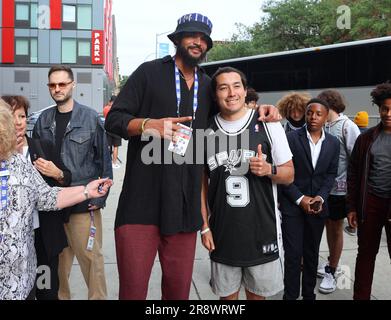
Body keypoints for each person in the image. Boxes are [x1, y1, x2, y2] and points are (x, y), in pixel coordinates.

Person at [104, 13, 280, 300]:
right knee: (133, 292)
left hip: (184, 209)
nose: (198, 42)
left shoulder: (209, 85)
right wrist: (150, 125)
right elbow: (114, 121)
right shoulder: (148, 73)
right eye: (191, 35)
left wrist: (264, 110)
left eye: (203, 39)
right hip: (141, 204)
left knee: (178, 294)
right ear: (177, 39)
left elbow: (231, 112)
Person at [0, 102, 113, 300]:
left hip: (20, 282)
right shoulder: (44, 121)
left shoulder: (17, 163)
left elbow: (46, 196)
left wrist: (86, 190)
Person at [201, 67, 294, 300]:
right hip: (223, 235)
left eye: (236, 86)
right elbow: (200, 186)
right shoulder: (206, 131)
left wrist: (269, 170)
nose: (231, 93)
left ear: (245, 90)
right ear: (215, 95)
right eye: (223, 87)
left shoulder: (268, 124)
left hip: (263, 233)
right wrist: (204, 226)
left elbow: (289, 174)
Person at [33, 65, 113, 300]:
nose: (57, 89)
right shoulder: (43, 120)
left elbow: (104, 162)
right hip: (53, 206)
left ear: (72, 85)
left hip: (82, 205)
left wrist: (100, 198)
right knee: (58, 265)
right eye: (52, 85)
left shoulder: (89, 118)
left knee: (92, 261)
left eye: (62, 84)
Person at [1, 95, 71, 300]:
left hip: (43, 234)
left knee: (47, 290)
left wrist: (56, 172)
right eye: (12, 116)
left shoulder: (43, 147)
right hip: (12, 246)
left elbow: (67, 178)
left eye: (22, 116)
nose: (18, 121)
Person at [279, 98, 339, 300]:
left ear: (325, 117)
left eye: (318, 114)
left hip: (318, 208)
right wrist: (300, 198)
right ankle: (290, 296)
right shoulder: (290, 138)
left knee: (312, 254)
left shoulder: (333, 143)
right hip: (293, 206)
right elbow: (284, 174)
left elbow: (331, 174)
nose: (313, 117)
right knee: (293, 255)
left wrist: (320, 198)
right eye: (310, 113)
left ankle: (308, 295)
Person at [347, 82, 391, 300]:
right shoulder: (366, 138)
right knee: (365, 256)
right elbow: (353, 174)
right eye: (384, 108)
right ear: (379, 108)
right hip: (370, 203)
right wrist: (352, 207)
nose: (388, 113)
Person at [315, 90, 361, 294]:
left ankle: (332, 271)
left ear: (329, 104)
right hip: (321, 190)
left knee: (335, 230)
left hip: (340, 191)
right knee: (323, 228)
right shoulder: (323, 125)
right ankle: (324, 265)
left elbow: (357, 159)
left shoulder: (347, 126)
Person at [103, 95, 122, 169]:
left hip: (108, 129)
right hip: (116, 130)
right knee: (116, 147)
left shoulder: (105, 108)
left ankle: (106, 163)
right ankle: (114, 163)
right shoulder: (118, 109)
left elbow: (105, 117)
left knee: (107, 146)